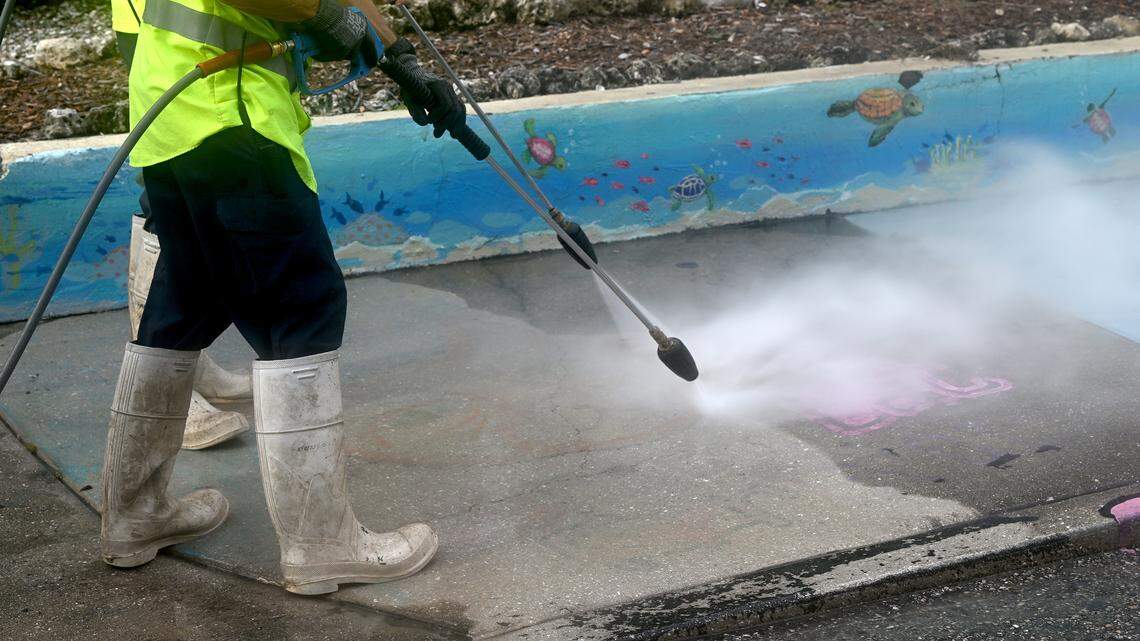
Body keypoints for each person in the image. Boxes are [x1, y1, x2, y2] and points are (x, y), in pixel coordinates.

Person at [100, 0, 467, 594]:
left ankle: (133, 517)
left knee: (180, 309)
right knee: (300, 311)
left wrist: (398, 58)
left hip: (170, 121)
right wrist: (325, 15)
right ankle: (321, 546)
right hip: (232, 118)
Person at [112, 0, 252, 451]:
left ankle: (190, 367)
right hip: (158, 18)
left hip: (191, 16)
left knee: (169, 191)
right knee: (165, 191)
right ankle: (172, 392)